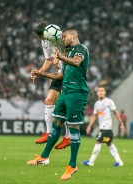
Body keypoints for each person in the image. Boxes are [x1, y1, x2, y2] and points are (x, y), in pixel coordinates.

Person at [27, 28, 89, 181]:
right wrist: (41, 73)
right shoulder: (67, 53)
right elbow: (59, 75)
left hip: (77, 93)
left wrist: (60, 56)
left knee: (73, 128)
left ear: (74, 36)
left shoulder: (81, 49)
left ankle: (72, 166)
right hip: (65, 92)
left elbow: (76, 62)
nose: (63, 39)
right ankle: (44, 157)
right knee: (56, 124)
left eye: (65, 36)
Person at [31, 21, 70, 149]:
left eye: (39, 35)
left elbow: (72, 52)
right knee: (49, 100)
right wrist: (39, 72)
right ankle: (48, 132)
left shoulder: (63, 37)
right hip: (60, 73)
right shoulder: (45, 42)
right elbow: (48, 60)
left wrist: (60, 57)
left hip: (71, 73)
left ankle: (68, 137)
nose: (39, 38)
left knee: (66, 106)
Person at [82, 86, 125, 167]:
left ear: (105, 92)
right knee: (109, 143)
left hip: (106, 127)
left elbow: (115, 113)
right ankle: (119, 162)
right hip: (104, 128)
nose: (101, 92)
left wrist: (121, 123)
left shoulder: (109, 102)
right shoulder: (97, 104)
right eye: (99, 91)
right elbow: (94, 116)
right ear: (97, 93)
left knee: (98, 141)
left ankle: (91, 162)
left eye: (102, 90)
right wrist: (89, 126)